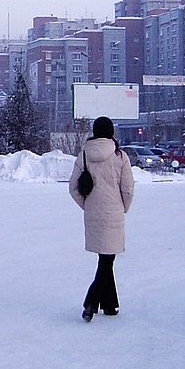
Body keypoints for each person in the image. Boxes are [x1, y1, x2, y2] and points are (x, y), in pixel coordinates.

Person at [68, 116, 135, 322]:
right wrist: (123, 207)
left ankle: (110, 305)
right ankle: (91, 301)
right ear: (111, 132)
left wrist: (87, 205)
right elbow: (128, 188)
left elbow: (73, 188)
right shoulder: (120, 155)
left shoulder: (84, 155)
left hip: (93, 211)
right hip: (113, 210)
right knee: (107, 259)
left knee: (105, 257)